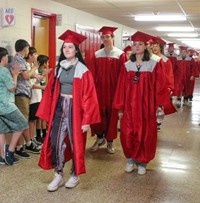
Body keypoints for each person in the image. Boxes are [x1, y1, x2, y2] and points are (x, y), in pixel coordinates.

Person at [36, 30, 100, 192]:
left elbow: (89, 96)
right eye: (65, 47)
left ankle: (75, 175)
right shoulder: (59, 68)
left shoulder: (82, 70)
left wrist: (87, 120)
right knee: (55, 140)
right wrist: (47, 112)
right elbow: (51, 92)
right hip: (59, 108)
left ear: (76, 50)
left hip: (75, 110)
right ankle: (58, 173)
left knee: (75, 142)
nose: (67, 50)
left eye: (70, 47)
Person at [112, 31, 176, 175]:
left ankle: (142, 162)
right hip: (129, 107)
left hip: (146, 106)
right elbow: (120, 88)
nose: (137, 47)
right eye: (135, 45)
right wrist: (120, 108)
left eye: (140, 44)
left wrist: (160, 105)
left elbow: (159, 86)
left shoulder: (154, 64)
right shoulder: (127, 65)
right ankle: (130, 159)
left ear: (146, 46)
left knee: (145, 134)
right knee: (127, 134)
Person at [89, 26, 128, 154]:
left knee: (112, 116)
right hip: (99, 91)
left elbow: (124, 76)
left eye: (107, 37)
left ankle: (110, 141)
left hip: (113, 91)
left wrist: (121, 92)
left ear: (113, 38)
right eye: (103, 37)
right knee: (98, 115)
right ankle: (100, 139)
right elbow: (92, 74)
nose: (105, 39)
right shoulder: (96, 54)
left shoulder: (120, 54)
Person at [9, 40, 40, 158]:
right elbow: (25, 76)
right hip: (21, 94)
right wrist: (35, 67)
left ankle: (23, 145)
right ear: (25, 48)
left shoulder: (20, 60)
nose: (28, 51)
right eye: (28, 48)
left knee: (23, 120)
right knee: (21, 121)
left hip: (25, 93)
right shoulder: (18, 59)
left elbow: (26, 75)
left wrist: (34, 74)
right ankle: (19, 146)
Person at [0, 47, 28, 165]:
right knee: (23, 123)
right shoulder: (3, 70)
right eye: (7, 56)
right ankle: (10, 151)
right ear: (3, 57)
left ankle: (2, 157)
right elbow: (12, 88)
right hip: (6, 104)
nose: (7, 58)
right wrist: (15, 75)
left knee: (1, 130)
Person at [35, 54, 50, 143]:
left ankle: (44, 134)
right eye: (47, 62)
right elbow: (39, 84)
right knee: (40, 118)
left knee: (43, 117)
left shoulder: (43, 72)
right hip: (39, 96)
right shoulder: (39, 72)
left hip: (43, 96)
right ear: (44, 63)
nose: (48, 64)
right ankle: (39, 135)